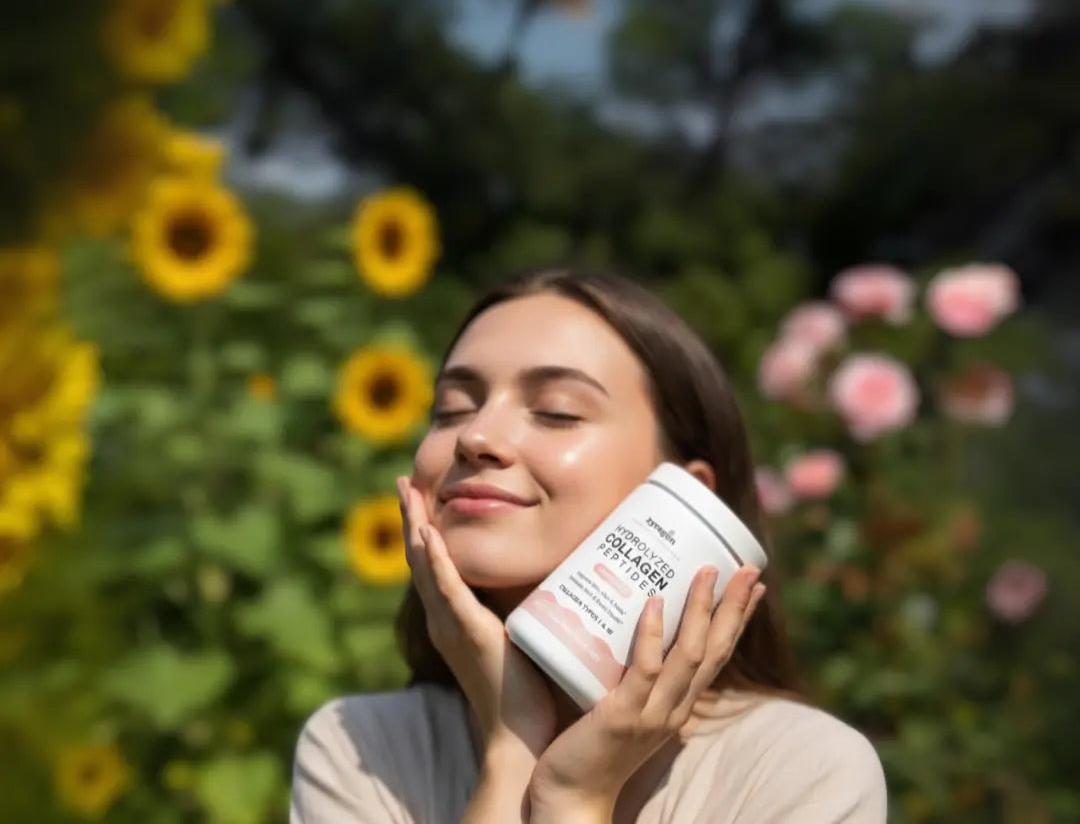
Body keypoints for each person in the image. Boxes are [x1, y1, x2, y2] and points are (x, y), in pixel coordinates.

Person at [290, 268, 887, 824]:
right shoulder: (359, 748)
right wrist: (512, 747)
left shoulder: (803, 773)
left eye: (557, 412)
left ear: (690, 500)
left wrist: (574, 799)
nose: (475, 436)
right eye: (451, 410)